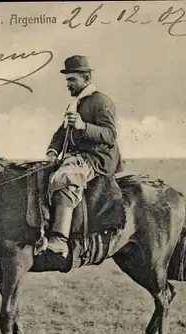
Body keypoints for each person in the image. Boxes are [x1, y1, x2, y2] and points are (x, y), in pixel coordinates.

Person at [46, 55, 122, 257]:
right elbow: (61, 132)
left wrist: (83, 126)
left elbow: (110, 135)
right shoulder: (74, 104)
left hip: (97, 159)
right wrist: (52, 151)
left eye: (72, 80)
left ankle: (60, 239)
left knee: (65, 177)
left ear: (86, 78)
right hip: (76, 157)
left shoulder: (102, 101)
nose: (68, 85)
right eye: (67, 80)